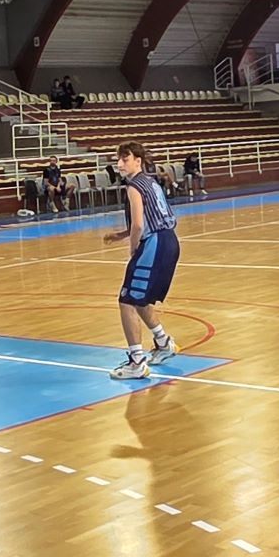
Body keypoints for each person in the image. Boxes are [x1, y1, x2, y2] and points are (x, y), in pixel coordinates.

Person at [103, 142, 181, 380]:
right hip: (169, 241)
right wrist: (121, 235)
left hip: (154, 244)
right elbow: (150, 217)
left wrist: (133, 247)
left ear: (138, 161)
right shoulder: (151, 182)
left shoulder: (134, 186)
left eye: (125, 159)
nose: (119, 164)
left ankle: (137, 361)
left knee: (126, 299)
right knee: (139, 299)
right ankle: (163, 342)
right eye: (118, 159)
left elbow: (138, 224)